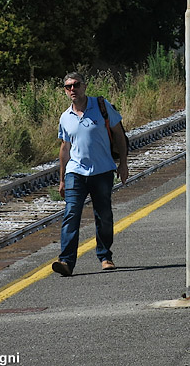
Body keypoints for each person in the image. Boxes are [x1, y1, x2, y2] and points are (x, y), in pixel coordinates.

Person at [52, 72, 130, 277]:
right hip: (75, 173)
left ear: (84, 86)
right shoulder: (65, 117)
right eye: (68, 86)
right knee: (71, 214)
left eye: (76, 85)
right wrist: (61, 179)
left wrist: (123, 164)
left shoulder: (102, 106)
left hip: (102, 171)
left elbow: (120, 136)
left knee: (103, 215)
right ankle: (66, 261)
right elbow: (64, 148)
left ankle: (105, 256)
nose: (72, 90)